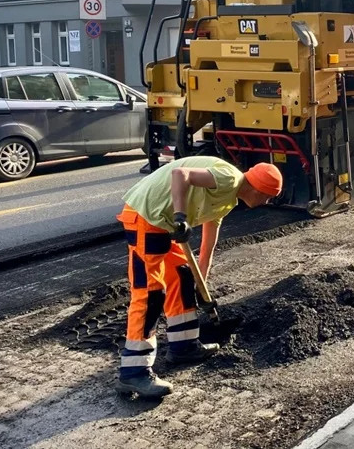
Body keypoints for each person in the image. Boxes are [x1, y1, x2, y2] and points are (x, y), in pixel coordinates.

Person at [115, 156, 283, 398]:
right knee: (151, 293)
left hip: (163, 223)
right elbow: (180, 175)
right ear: (257, 188)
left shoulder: (227, 200)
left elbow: (208, 243)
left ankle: (183, 346)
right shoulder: (229, 178)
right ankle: (133, 373)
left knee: (184, 277)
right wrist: (181, 218)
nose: (266, 201)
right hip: (146, 215)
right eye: (267, 196)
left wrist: (200, 283)